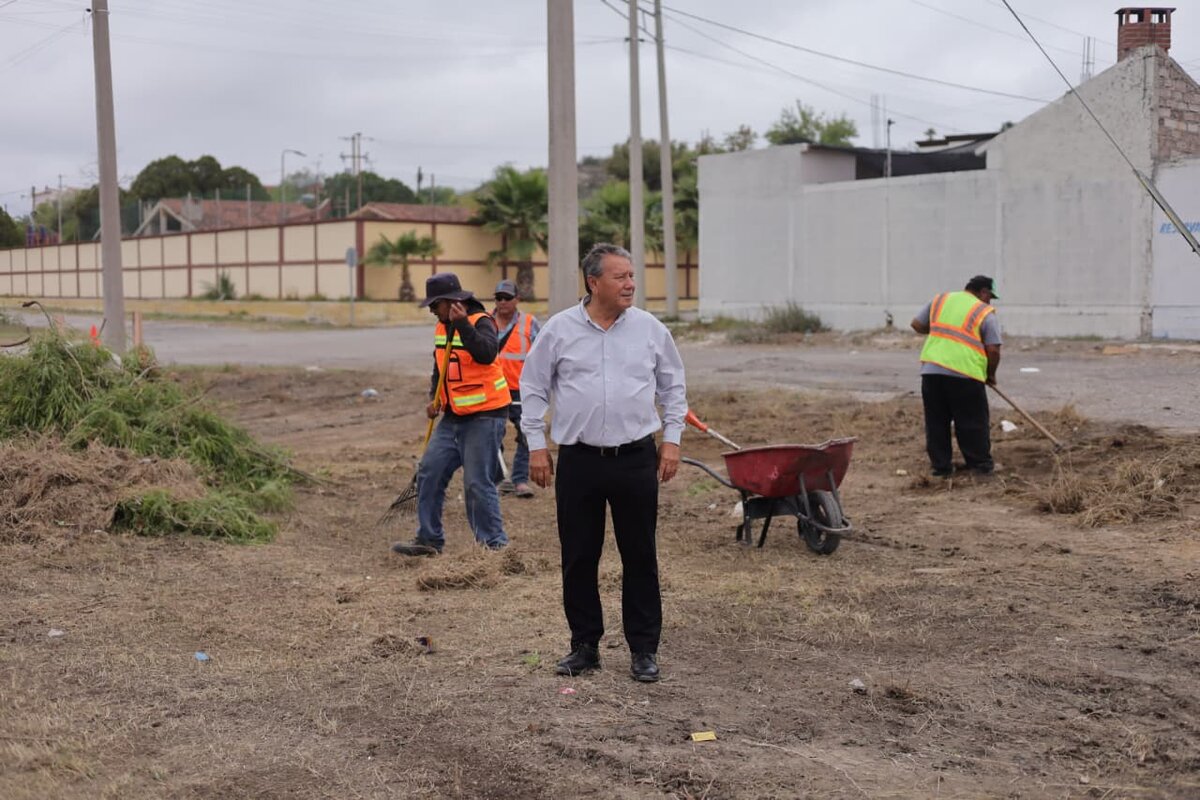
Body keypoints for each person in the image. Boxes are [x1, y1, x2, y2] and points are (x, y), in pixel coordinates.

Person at [520, 243, 687, 683]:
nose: (630, 284)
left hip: (635, 458)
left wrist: (671, 441)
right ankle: (584, 646)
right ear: (593, 282)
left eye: (631, 275)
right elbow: (533, 388)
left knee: (640, 556)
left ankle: (644, 649)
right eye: (620, 277)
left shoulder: (650, 329)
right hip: (579, 461)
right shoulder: (559, 330)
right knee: (578, 556)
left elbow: (673, 387)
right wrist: (536, 446)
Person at [392, 273, 510, 556]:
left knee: (476, 483)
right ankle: (429, 540)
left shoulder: (481, 321)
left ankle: (494, 547)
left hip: (486, 415)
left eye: (435, 305)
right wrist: (435, 398)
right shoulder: (442, 326)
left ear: (452, 302)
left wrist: (461, 325)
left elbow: (486, 354)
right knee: (429, 472)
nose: (432, 311)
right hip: (453, 417)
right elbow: (440, 365)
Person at [910, 274, 1002, 478]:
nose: (990, 301)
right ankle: (980, 466)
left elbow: (916, 324)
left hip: (932, 372)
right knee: (972, 422)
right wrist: (990, 375)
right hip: (965, 373)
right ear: (984, 292)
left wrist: (936, 331)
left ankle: (941, 468)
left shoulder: (940, 300)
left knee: (936, 422)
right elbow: (994, 350)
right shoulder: (983, 311)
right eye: (990, 296)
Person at [491, 278, 540, 499]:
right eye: (499, 298)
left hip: (521, 389)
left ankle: (520, 479)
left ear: (517, 299)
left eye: (507, 298)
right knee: (492, 435)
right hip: (492, 390)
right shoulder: (484, 322)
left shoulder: (529, 323)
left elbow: (541, 355)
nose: (502, 303)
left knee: (526, 433)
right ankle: (499, 479)